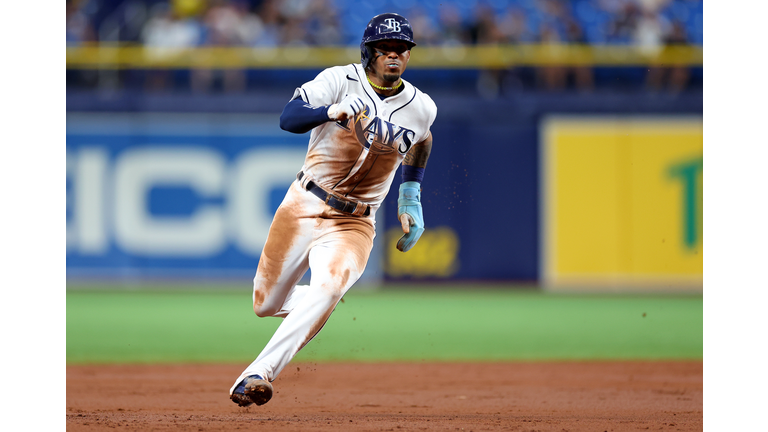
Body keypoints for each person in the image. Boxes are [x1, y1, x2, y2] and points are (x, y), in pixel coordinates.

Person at [229, 12, 437, 407]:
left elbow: (423, 140)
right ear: (368, 51)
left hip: (354, 222)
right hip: (304, 202)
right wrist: (330, 111)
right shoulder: (338, 80)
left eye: (401, 50)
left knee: (329, 284)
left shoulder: (421, 107)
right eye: (385, 49)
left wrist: (410, 193)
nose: (394, 56)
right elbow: (288, 118)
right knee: (265, 305)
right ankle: (321, 298)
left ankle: (257, 374)